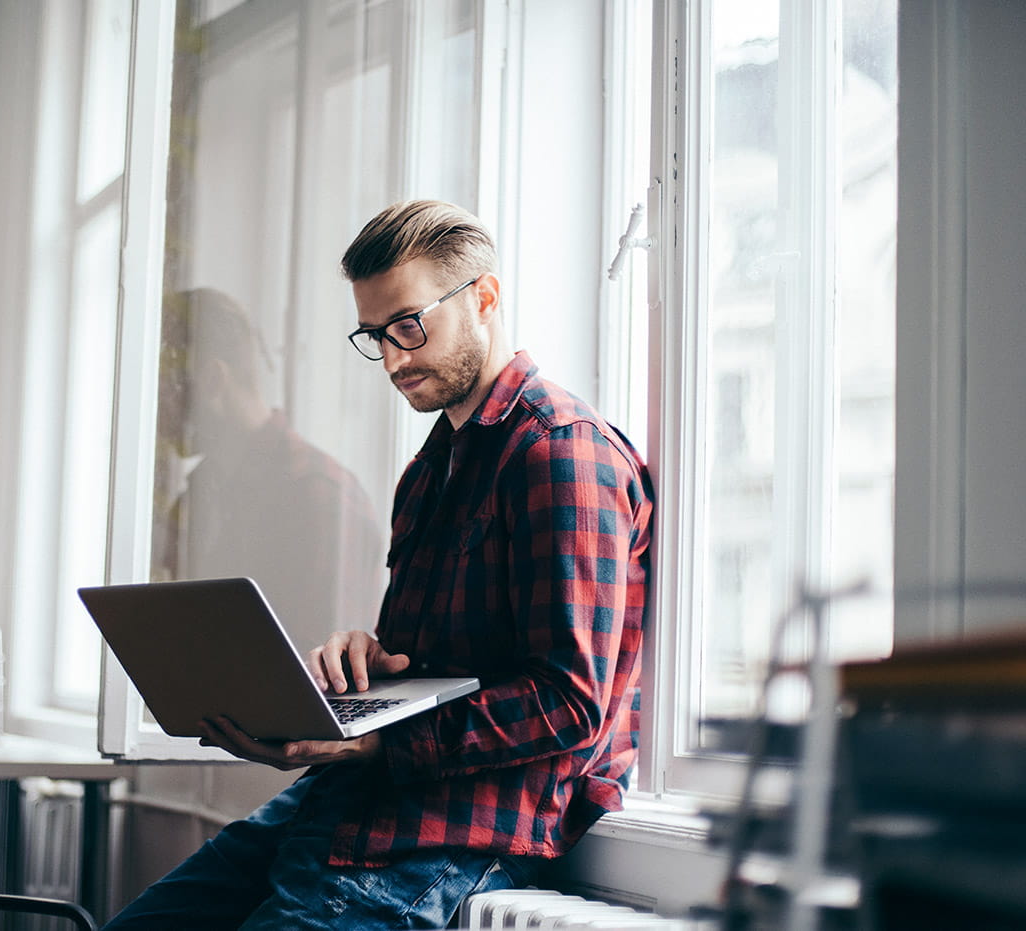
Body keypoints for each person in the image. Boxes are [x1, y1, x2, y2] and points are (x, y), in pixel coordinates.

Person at [103, 200, 654, 930]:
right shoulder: (429, 470)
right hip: (344, 802)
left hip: (450, 832)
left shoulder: (561, 452)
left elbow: (569, 701)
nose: (393, 358)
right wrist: (369, 666)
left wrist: (371, 736)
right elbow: (438, 665)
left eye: (409, 325)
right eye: (374, 335)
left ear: (484, 297)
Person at [154, 288, 383, 650]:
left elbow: (323, 683)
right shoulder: (200, 494)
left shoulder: (320, 497)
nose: (154, 418)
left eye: (160, 393)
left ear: (212, 380)